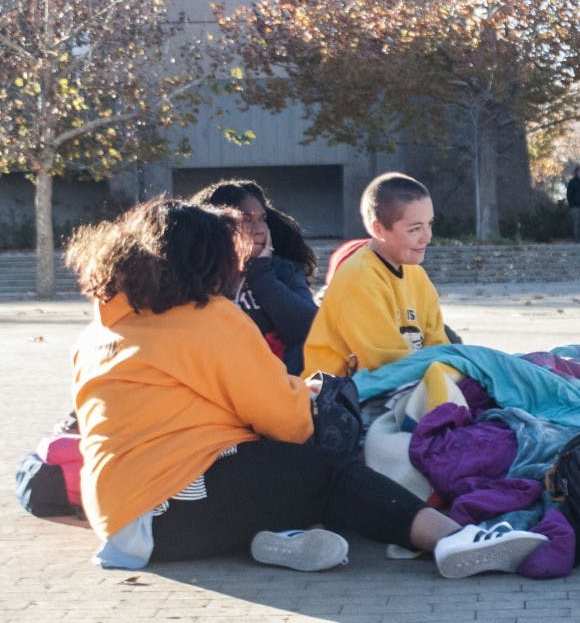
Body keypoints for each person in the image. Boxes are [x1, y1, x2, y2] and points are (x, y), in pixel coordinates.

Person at [65, 198, 546, 575]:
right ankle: (453, 538)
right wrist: (309, 395)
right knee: (326, 470)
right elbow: (288, 421)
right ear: (206, 260)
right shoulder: (208, 320)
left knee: (281, 476)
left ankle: (277, 540)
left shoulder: (103, 329)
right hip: (173, 503)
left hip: (122, 516)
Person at [303, 172, 448, 378]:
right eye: (415, 229)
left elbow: (438, 347)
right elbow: (384, 363)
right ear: (378, 229)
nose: (428, 237)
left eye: (430, 224)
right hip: (344, 396)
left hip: (401, 383)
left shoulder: (417, 276)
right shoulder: (358, 277)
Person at [192, 180, 317, 375]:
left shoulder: (283, 270)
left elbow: (308, 331)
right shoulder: (193, 275)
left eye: (262, 218)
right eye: (247, 220)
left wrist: (261, 273)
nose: (259, 229)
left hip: (280, 390)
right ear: (216, 225)